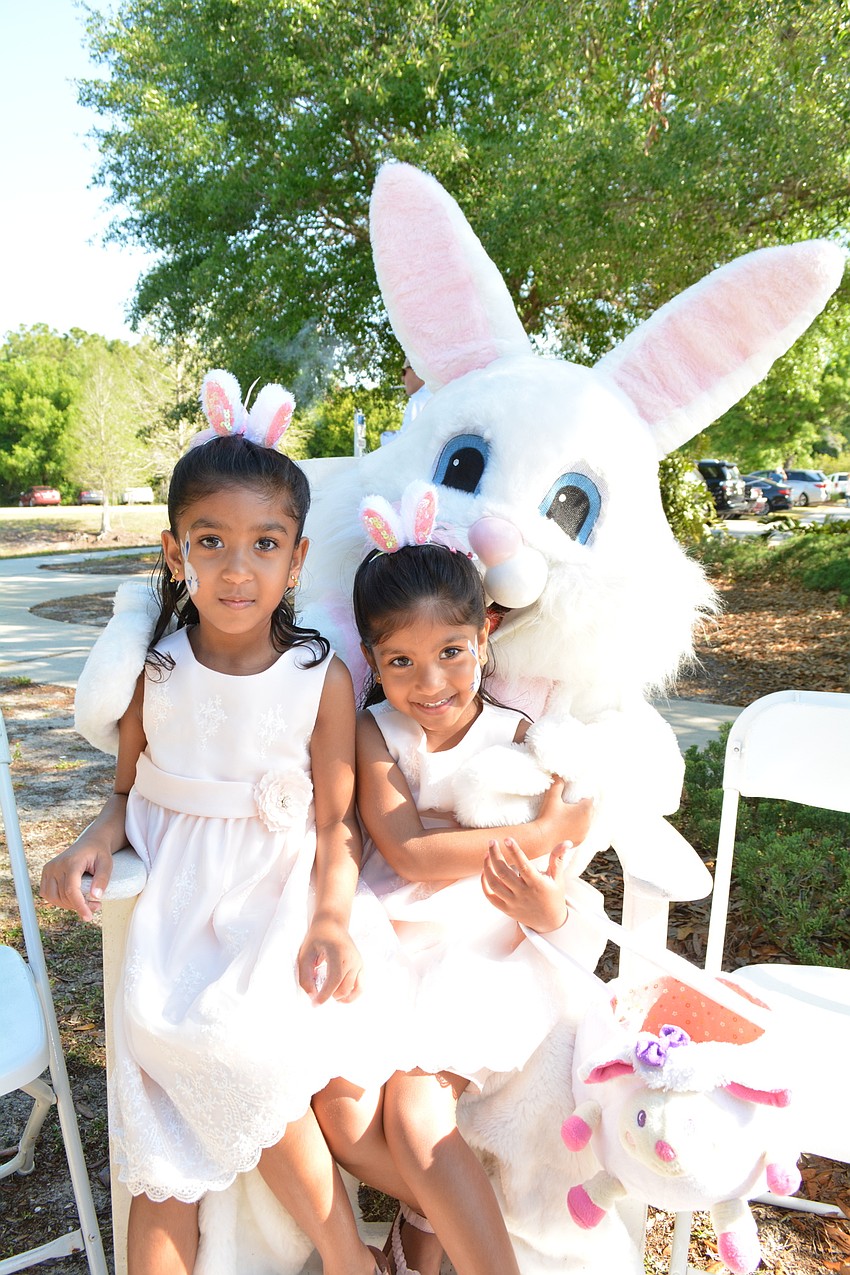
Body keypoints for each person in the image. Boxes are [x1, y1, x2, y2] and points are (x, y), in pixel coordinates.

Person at [40, 400, 405, 1275]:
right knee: (157, 1103)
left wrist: (329, 919)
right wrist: (94, 835)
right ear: (175, 551)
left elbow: (335, 820)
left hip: (275, 899)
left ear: (297, 556)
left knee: (239, 1043)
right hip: (174, 906)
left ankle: (343, 1254)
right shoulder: (155, 668)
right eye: (210, 541)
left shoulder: (320, 674)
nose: (237, 568)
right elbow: (126, 790)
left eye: (265, 543)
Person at [314, 488, 596, 1275]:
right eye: (399, 660)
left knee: (413, 1111)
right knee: (340, 1113)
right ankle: (431, 1218)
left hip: (481, 952)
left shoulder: (524, 740)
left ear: (486, 635)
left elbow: (558, 872)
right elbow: (405, 852)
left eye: (451, 652)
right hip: (388, 939)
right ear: (371, 659)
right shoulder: (373, 731)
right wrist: (535, 832)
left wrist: (546, 865)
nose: (428, 682)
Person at [380, 357, 432, 445]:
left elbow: (406, 442)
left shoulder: (419, 400)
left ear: (416, 370)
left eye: (404, 372)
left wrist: (385, 437)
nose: (402, 379)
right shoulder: (433, 395)